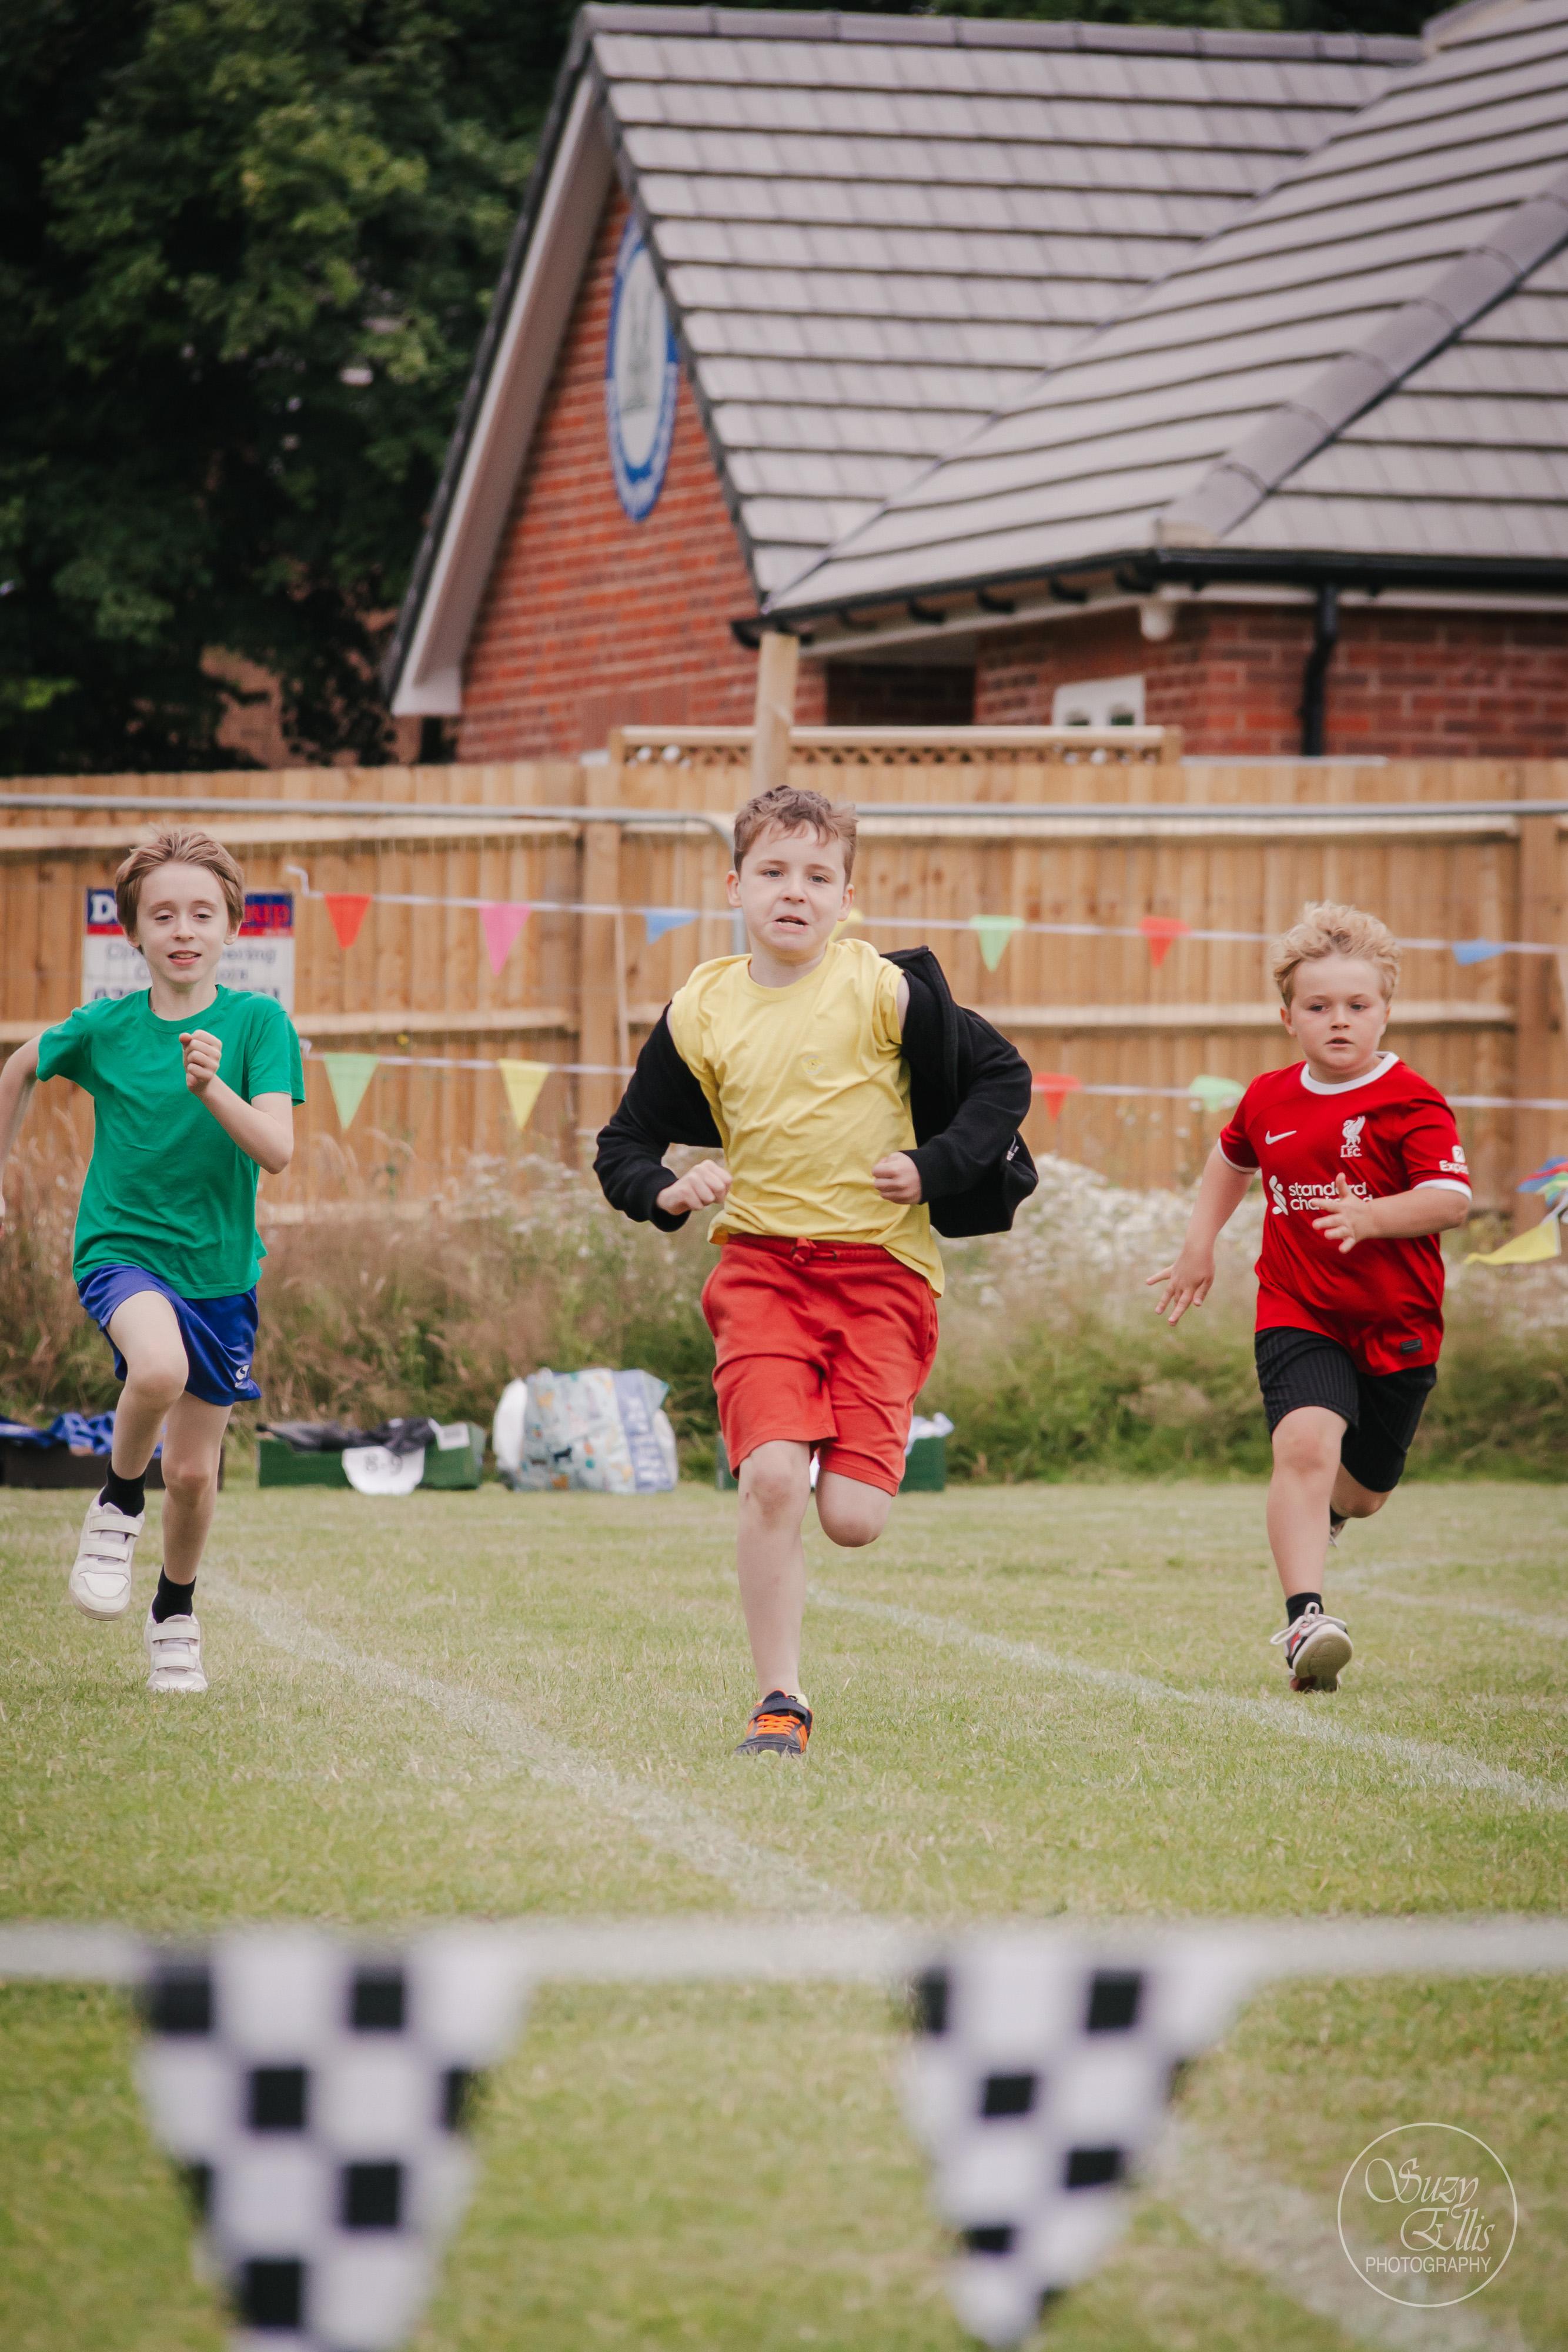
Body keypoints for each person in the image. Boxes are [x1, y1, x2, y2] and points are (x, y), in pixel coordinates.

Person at [596, 783, 1035, 1756]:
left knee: (853, 1519)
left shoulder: (883, 991)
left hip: (883, 1275)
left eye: (817, 877)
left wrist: (934, 1167)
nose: (794, 892)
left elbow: (1004, 1078)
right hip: (760, 1270)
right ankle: (780, 1701)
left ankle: (842, 1428)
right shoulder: (701, 1009)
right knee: (772, 1482)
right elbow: (622, 1145)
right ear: (735, 887)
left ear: (846, 899)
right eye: (773, 872)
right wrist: (665, 1190)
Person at [0, 830, 303, 1693]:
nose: (182, 929)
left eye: (201, 913)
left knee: (196, 1475)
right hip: (121, 1251)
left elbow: (277, 1150)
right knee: (158, 1367)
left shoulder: (258, 1025)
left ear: (232, 927)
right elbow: (18, 1068)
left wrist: (212, 1087)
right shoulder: (106, 1027)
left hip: (220, 1273)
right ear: (132, 931)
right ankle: (117, 1503)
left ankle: (174, 1614)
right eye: (162, 914)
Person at [1148, 903, 1471, 1690]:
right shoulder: (1268, 1097)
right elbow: (1232, 1160)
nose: (1339, 1020)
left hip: (1396, 1323)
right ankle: (1306, 1621)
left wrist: (1373, 1217)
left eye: (1357, 1005)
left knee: (1363, 1496)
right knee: (1303, 1445)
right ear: (1287, 1017)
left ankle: (1324, 1518)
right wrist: (1199, 1244)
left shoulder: (1413, 1102)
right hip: (1299, 1308)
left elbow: (1451, 1199)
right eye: (1319, 1006)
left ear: (1386, 1012)